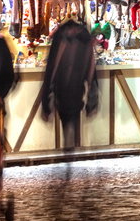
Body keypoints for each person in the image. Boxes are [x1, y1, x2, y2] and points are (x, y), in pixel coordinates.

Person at [40, 17, 98, 152]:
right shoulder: (84, 34)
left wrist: (46, 103)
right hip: (77, 81)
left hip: (62, 80)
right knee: (73, 108)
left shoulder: (60, 35)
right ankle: (70, 132)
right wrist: (92, 102)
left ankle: (68, 132)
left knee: (64, 109)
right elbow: (91, 67)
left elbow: (52, 66)